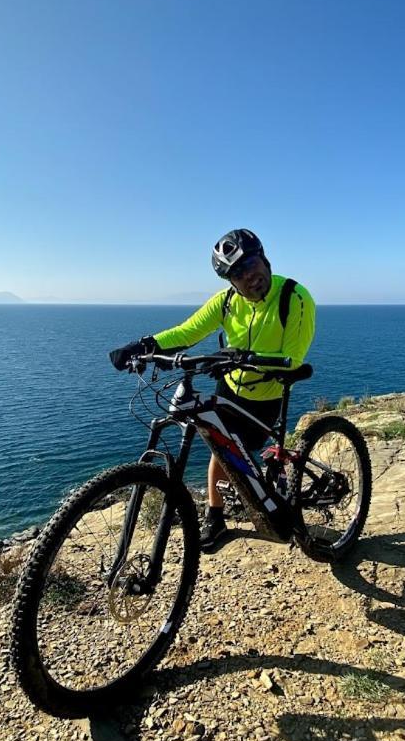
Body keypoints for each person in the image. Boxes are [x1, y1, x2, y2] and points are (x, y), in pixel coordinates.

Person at [108, 228, 316, 548]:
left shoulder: (294, 296)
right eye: (238, 273)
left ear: (265, 259)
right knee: (220, 448)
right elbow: (188, 331)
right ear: (230, 281)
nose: (250, 276)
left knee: (243, 456)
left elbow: (292, 358)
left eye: (252, 264)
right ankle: (215, 516)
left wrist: (243, 358)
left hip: (269, 392)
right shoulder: (227, 301)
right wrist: (144, 345)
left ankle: (278, 484)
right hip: (230, 384)